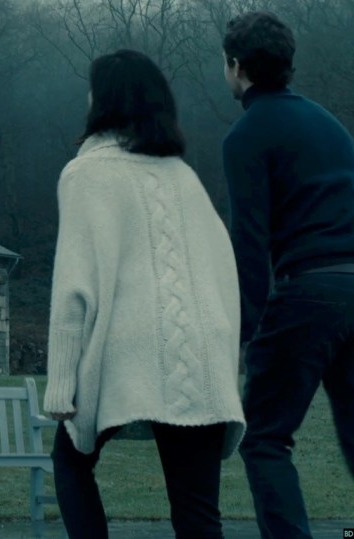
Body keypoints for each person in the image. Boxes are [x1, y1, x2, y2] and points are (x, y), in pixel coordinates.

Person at [42, 49, 246, 539]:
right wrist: (227, 359)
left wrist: (61, 381)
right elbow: (225, 276)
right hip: (201, 354)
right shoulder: (185, 178)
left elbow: (75, 283)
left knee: (71, 463)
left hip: (129, 349)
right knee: (197, 511)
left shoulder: (85, 174)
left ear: (104, 100)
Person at [221, 11, 354, 539]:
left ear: (236, 66)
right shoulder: (330, 125)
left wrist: (244, 336)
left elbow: (250, 246)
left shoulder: (246, 135)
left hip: (309, 289)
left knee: (265, 438)